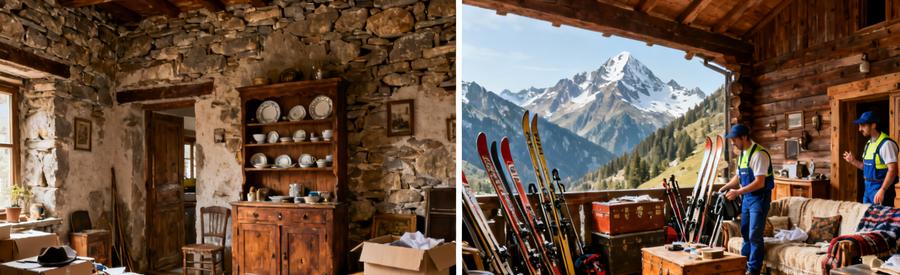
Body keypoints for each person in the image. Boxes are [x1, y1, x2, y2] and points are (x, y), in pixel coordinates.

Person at [718, 124, 773, 275]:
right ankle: (744, 265)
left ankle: (754, 270)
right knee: (745, 232)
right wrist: (724, 188)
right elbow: (738, 177)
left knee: (755, 234)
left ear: (744, 137)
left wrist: (737, 192)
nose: (732, 143)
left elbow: (759, 182)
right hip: (747, 199)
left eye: (734, 139)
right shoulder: (743, 154)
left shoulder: (759, 154)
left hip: (759, 199)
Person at [842, 111, 898, 206]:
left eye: (863, 125)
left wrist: (882, 190)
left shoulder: (886, 144)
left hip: (880, 190)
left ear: (873, 125)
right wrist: (853, 161)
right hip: (867, 190)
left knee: (880, 220)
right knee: (867, 218)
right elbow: (866, 167)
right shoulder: (868, 144)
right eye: (859, 126)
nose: (860, 129)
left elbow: (892, 170)